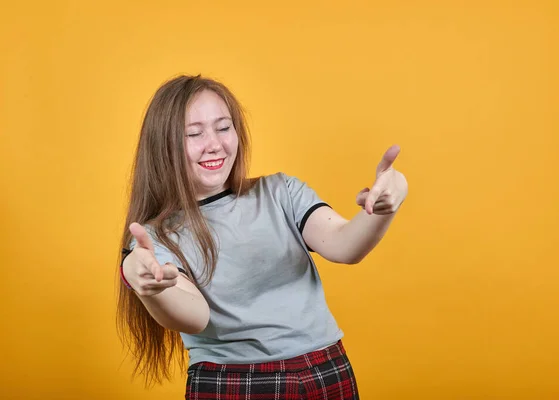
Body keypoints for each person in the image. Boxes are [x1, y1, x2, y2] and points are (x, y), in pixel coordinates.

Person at [116, 74, 408, 400]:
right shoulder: (157, 237)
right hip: (233, 383)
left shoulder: (281, 191)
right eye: (194, 133)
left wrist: (384, 208)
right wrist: (151, 287)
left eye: (224, 127)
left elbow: (344, 245)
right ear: (163, 145)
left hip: (325, 368)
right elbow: (196, 317)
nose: (214, 143)